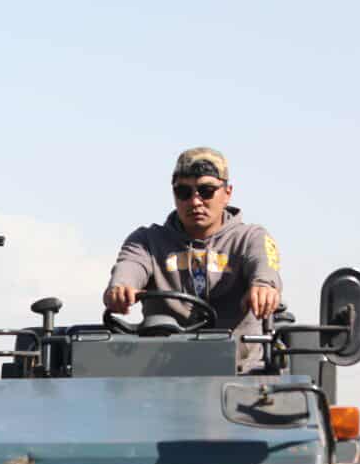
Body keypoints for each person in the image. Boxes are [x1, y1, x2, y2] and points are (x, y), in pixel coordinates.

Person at [103, 147, 282, 369]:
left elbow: (263, 265)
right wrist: (121, 287)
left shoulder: (250, 238)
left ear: (227, 193)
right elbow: (130, 266)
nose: (195, 201)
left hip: (240, 374)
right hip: (161, 372)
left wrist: (264, 286)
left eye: (206, 191)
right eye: (184, 192)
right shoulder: (147, 241)